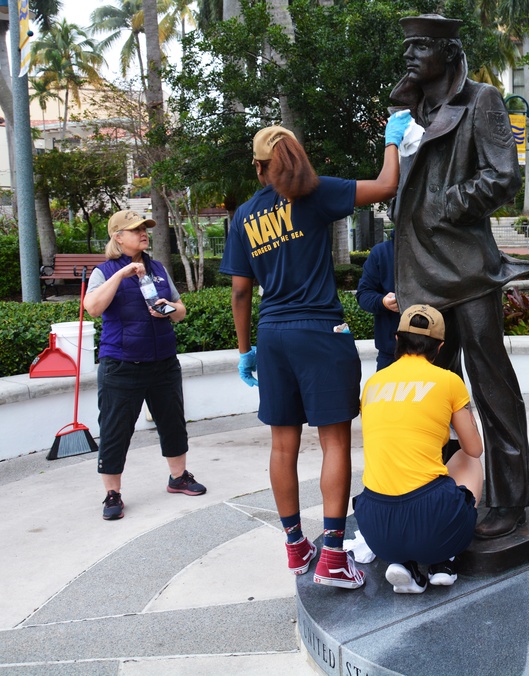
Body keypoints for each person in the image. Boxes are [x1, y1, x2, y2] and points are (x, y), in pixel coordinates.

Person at [219, 116, 406, 588]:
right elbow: (387, 185)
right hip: (322, 330)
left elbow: (241, 294)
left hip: (274, 336)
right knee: (335, 442)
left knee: (283, 445)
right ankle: (334, 557)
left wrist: (247, 351)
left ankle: (295, 547)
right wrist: (390, 138)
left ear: (260, 168)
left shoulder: (243, 216)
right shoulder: (316, 193)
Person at [388, 14, 529, 539]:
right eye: (407, 46)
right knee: (427, 389)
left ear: (449, 53)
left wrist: (447, 203)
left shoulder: (482, 100)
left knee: (491, 386)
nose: (409, 55)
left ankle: (511, 497)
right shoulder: (407, 111)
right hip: (419, 269)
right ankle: (441, 489)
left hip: (467, 270)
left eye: (421, 46)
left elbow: (504, 176)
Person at [353, 304, 484, 593]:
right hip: (430, 520)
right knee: (468, 459)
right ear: (439, 347)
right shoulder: (449, 381)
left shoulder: (373, 383)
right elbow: (474, 447)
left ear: (397, 340)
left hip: (375, 525)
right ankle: (444, 559)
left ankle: (403, 564)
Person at [84, 209, 204, 521]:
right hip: (121, 365)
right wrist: (120, 276)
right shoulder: (105, 271)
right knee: (115, 431)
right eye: (135, 229)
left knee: (173, 422)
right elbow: (93, 307)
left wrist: (169, 309)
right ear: (118, 237)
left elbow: (181, 311)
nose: (143, 233)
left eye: (144, 228)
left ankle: (179, 477)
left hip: (163, 362)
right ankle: (112, 494)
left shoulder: (159, 268)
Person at [356, 233, 399, 370]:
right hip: (391, 355)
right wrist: (383, 302)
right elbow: (363, 294)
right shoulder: (381, 252)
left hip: (435, 353)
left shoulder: (435, 250)